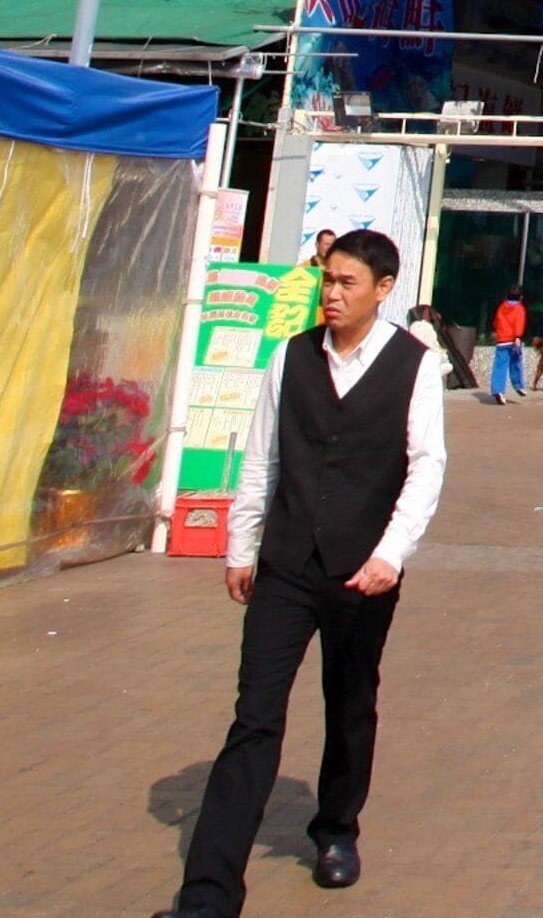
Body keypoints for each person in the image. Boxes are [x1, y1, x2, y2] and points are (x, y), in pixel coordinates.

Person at [162, 230, 445, 917]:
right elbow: (262, 456)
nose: (333, 294)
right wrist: (241, 544)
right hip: (286, 564)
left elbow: (426, 466)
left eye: (348, 283)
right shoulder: (290, 358)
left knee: (349, 706)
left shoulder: (412, 365)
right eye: (327, 280)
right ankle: (208, 894)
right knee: (254, 717)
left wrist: (390, 554)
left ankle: (336, 830)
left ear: (384, 289)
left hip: (361, 574)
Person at [485, 294, 528, 406]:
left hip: (502, 340)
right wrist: (518, 337)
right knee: (516, 363)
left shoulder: (501, 307)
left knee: (500, 366)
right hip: (514, 340)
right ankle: (519, 386)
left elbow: (496, 322)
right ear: (521, 297)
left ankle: (498, 390)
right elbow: (519, 323)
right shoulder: (519, 308)